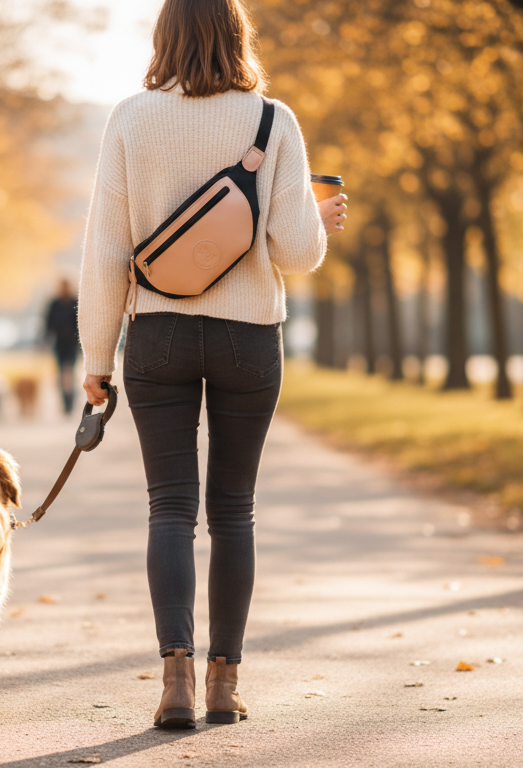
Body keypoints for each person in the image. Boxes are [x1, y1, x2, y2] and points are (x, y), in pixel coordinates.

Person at [76, 0, 347, 730]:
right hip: (248, 337)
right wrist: (317, 222)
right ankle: (226, 684)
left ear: (164, 35)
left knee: (170, 509)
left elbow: (105, 251)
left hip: (157, 337)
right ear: (237, 35)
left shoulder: (130, 118)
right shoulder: (273, 119)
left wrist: (97, 361)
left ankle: (176, 682)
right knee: (234, 512)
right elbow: (294, 251)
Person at [44, 278, 81, 415]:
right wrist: (45, 341)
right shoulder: (54, 304)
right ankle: (64, 402)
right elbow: (48, 324)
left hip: (72, 344)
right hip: (59, 344)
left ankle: (71, 400)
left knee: (70, 372)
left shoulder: (75, 302)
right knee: (60, 374)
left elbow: (80, 323)